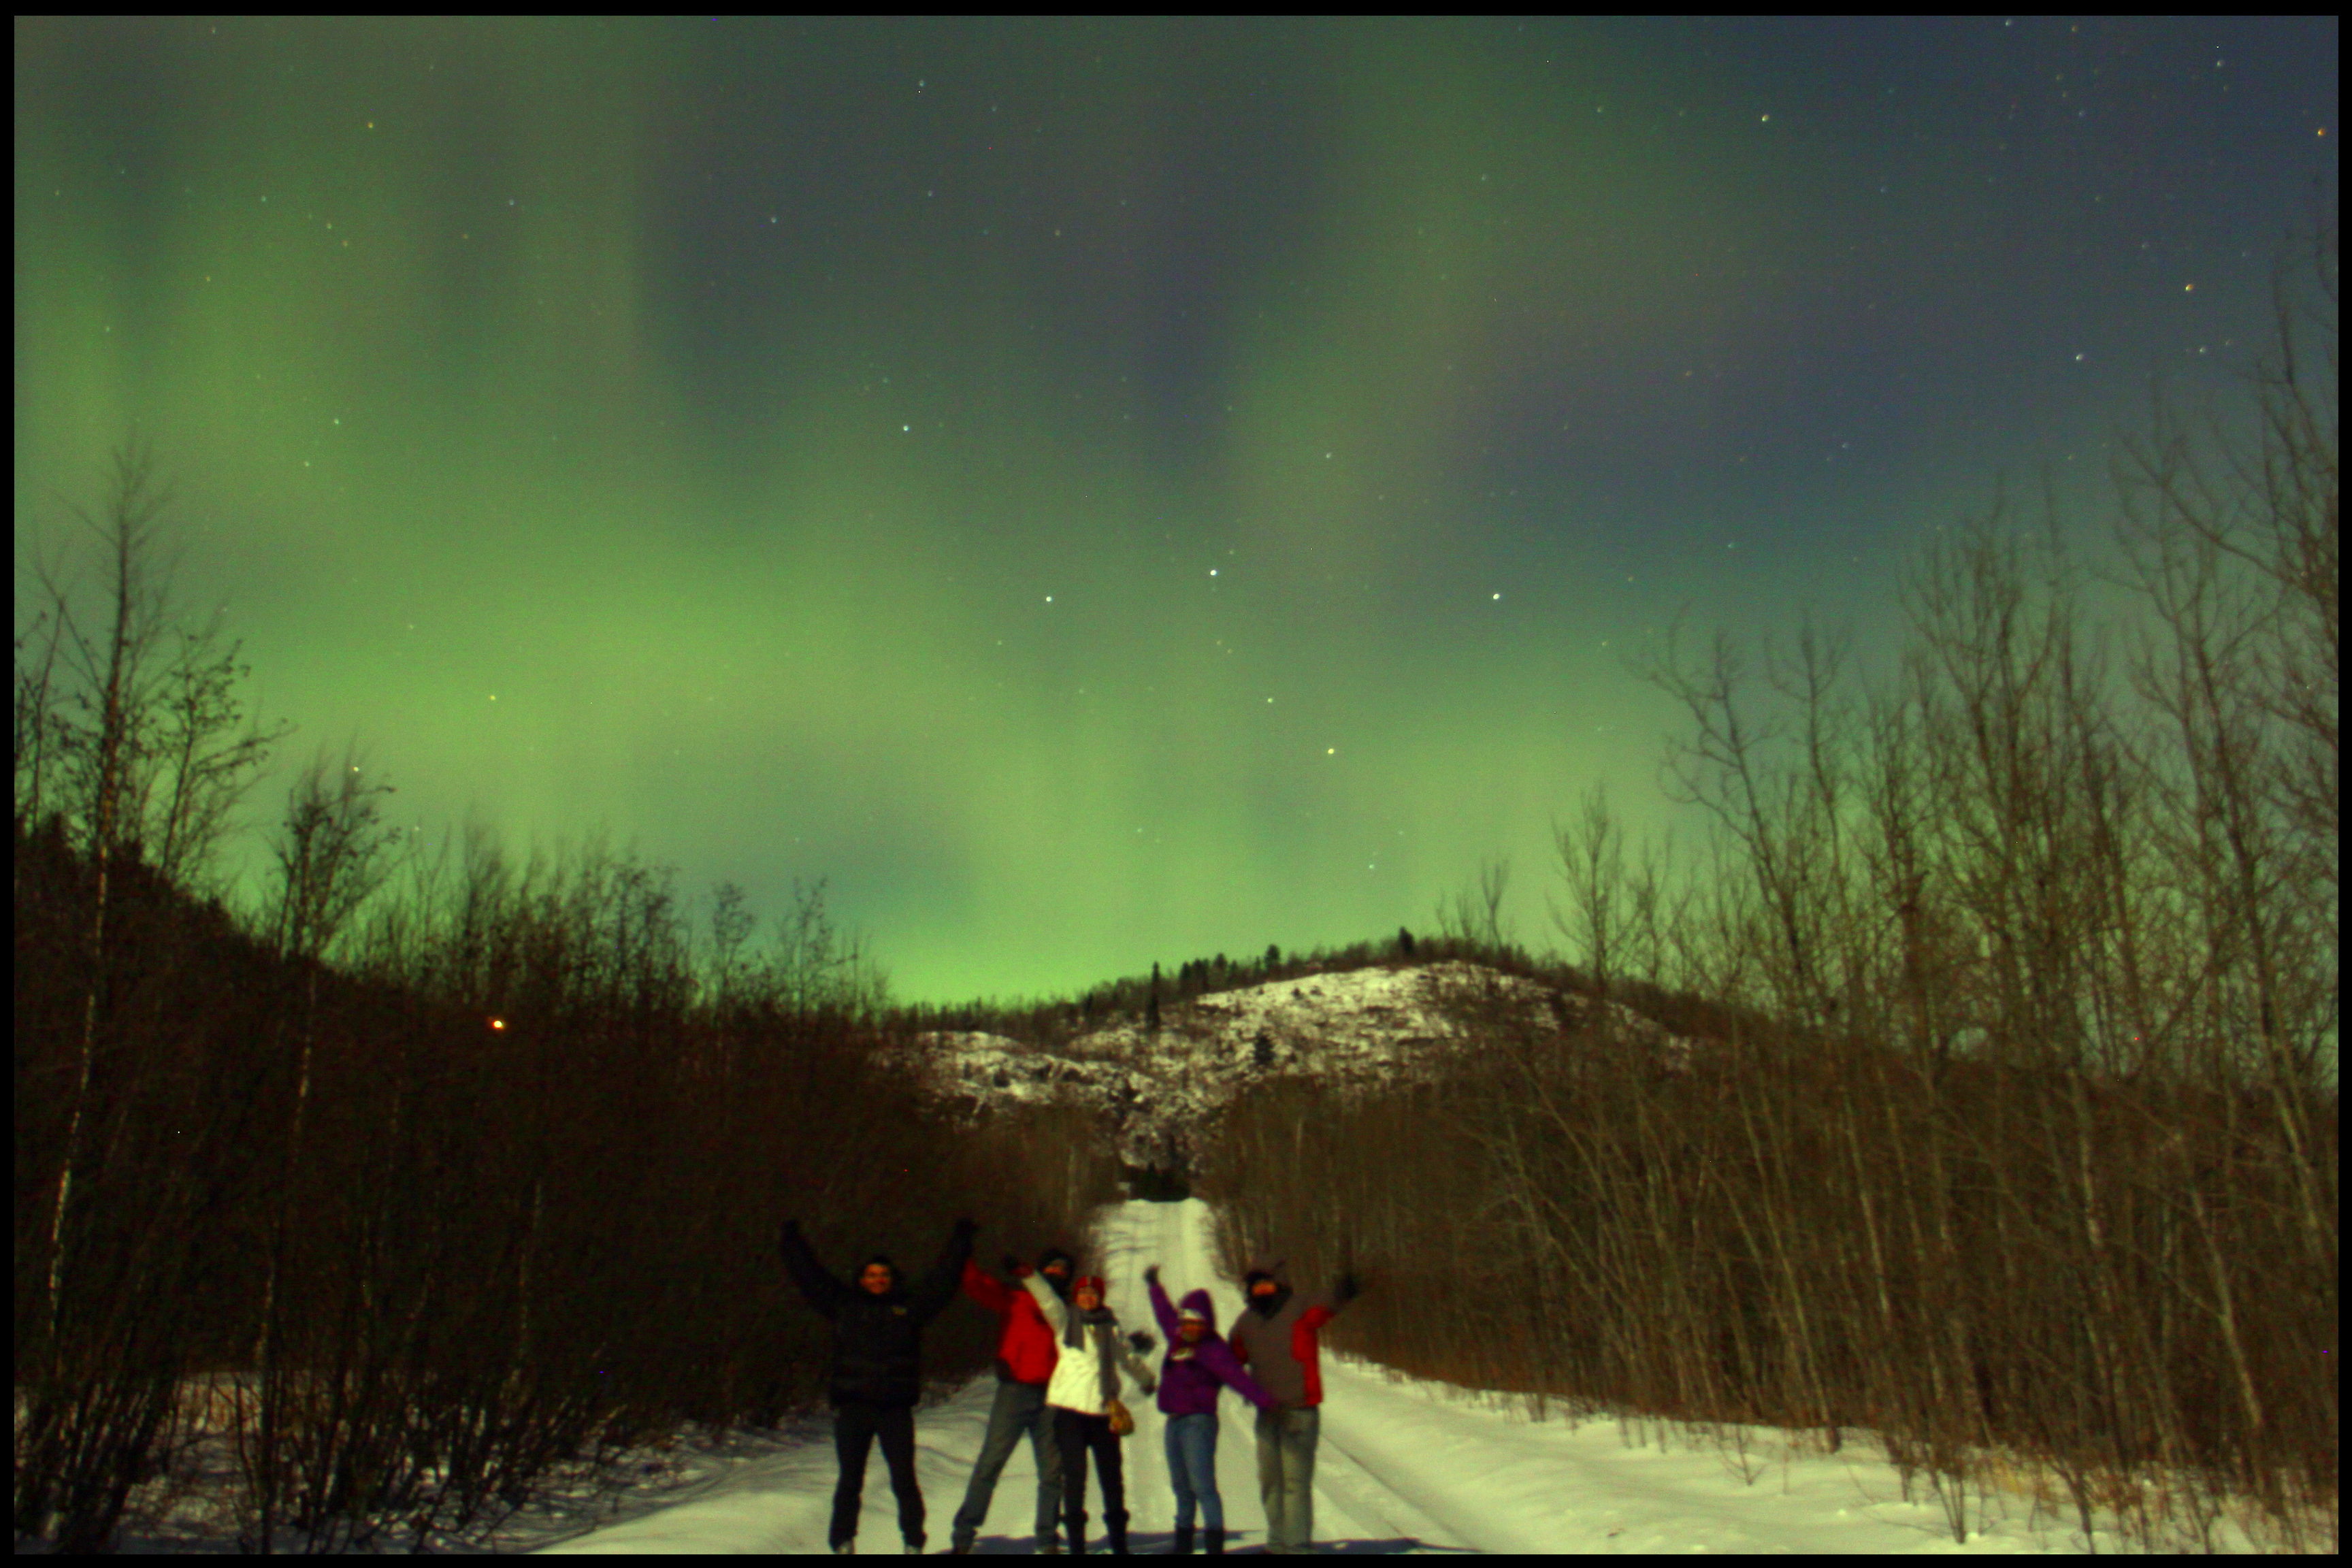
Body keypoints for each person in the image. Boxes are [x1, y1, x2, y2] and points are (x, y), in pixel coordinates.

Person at [778, 1215, 977, 1555]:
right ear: (861, 1280)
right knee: (850, 1480)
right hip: (853, 1408)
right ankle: (843, 1542)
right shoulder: (844, 1307)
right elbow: (810, 1278)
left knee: (904, 1480)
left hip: (894, 1410)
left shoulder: (909, 1309)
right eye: (871, 1275)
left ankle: (913, 1542)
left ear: (892, 1279)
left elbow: (942, 1281)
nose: (877, 1280)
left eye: (883, 1274)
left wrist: (961, 1241)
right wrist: (792, 1241)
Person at [1226, 1256, 1361, 1554]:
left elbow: (1327, 1304)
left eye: (1267, 1284)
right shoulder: (1247, 1321)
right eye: (1256, 1286)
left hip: (1299, 1412)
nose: (1262, 1290)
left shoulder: (1299, 1308)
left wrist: (1345, 1288)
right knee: (1270, 1483)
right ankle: (1277, 1544)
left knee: (1294, 1484)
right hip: (1267, 1415)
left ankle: (1298, 1546)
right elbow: (1229, 1359)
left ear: (1279, 1284)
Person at [948, 1247, 1077, 1554]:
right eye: (1053, 1266)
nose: (1058, 1272)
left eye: (1064, 1269)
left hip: (1053, 1396)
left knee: (1052, 1472)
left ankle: (1047, 1539)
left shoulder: (1069, 1312)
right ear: (1042, 1270)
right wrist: (962, 1249)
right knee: (991, 1463)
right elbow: (977, 1286)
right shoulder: (1016, 1298)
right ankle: (964, 1534)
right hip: (1015, 1393)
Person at [1022, 1266, 1158, 1554]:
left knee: (1112, 1479)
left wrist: (1146, 1380)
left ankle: (1119, 1543)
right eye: (1082, 1292)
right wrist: (1030, 1276)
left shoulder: (1112, 1327)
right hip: (1069, 1413)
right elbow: (1048, 1301)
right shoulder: (1065, 1322)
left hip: (1104, 1412)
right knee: (1075, 1479)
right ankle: (1077, 1546)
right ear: (1076, 1296)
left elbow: (1127, 1357)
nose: (1087, 1297)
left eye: (1093, 1293)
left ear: (1101, 1297)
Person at [1143, 1264, 1277, 1554]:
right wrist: (1154, 1287)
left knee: (1202, 1485)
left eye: (1197, 1322)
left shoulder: (1213, 1349)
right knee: (1181, 1486)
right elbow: (1165, 1314)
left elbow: (1239, 1379)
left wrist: (1267, 1403)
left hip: (1199, 1423)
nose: (1191, 1327)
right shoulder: (1177, 1338)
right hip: (1174, 1422)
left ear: (1207, 1323)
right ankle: (1183, 1544)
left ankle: (1214, 1543)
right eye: (1187, 1322)